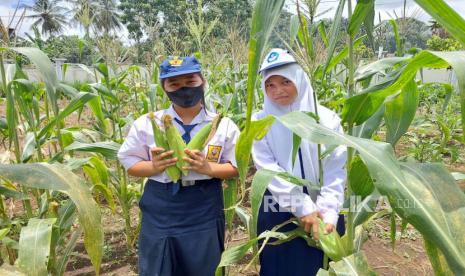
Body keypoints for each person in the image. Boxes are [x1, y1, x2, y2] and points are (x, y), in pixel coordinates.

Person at [117, 56, 240, 276]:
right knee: (159, 267)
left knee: (204, 266)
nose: (183, 88)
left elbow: (236, 167)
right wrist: (154, 167)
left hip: (203, 205)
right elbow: (130, 163)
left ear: (202, 81)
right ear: (164, 88)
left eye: (190, 81)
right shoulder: (148, 122)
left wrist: (208, 169)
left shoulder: (223, 125)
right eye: (174, 83)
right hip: (162, 205)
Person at [251, 48, 347, 276]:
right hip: (278, 210)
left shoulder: (326, 119)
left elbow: (336, 167)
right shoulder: (259, 122)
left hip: (324, 214)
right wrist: (302, 207)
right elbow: (269, 170)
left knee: (324, 267)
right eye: (270, 85)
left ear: (300, 79)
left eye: (285, 81)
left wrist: (329, 211)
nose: (278, 91)